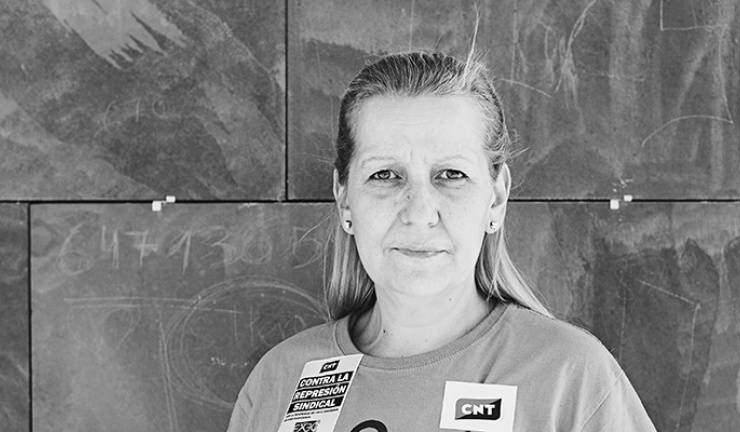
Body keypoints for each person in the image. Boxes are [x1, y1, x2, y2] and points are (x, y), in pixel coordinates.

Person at [228, 51, 657, 432]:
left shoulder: (569, 376)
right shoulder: (280, 381)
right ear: (344, 198)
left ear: (496, 197)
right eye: (384, 175)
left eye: (451, 175)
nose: (419, 212)